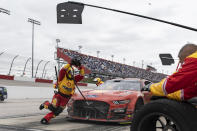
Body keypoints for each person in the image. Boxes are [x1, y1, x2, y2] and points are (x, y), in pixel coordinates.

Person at [39, 57, 84, 124]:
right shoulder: (62, 77)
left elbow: (81, 75)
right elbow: (63, 70)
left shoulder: (74, 79)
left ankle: (46, 119)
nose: (71, 73)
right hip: (59, 95)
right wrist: (70, 64)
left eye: (72, 72)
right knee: (53, 108)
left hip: (66, 99)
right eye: (69, 71)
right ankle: (45, 104)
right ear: (67, 72)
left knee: (57, 112)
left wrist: (80, 67)